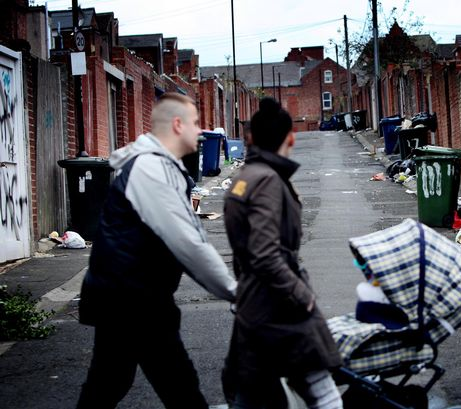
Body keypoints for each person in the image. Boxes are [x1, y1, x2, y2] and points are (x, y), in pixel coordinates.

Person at [77, 93, 237, 409]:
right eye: (194, 123)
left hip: (127, 295)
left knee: (110, 383)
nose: (200, 131)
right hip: (134, 299)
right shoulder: (151, 170)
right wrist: (234, 291)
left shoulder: (158, 166)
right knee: (179, 387)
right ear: (177, 125)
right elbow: (187, 242)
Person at [223, 97, 343, 409]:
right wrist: (302, 294)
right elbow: (264, 253)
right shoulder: (267, 181)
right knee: (324, 393)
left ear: (251, 138)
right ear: (290, 137)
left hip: (255, 304)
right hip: (279, 307)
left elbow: (246, 250)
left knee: (254, 394)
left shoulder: (244, 178)